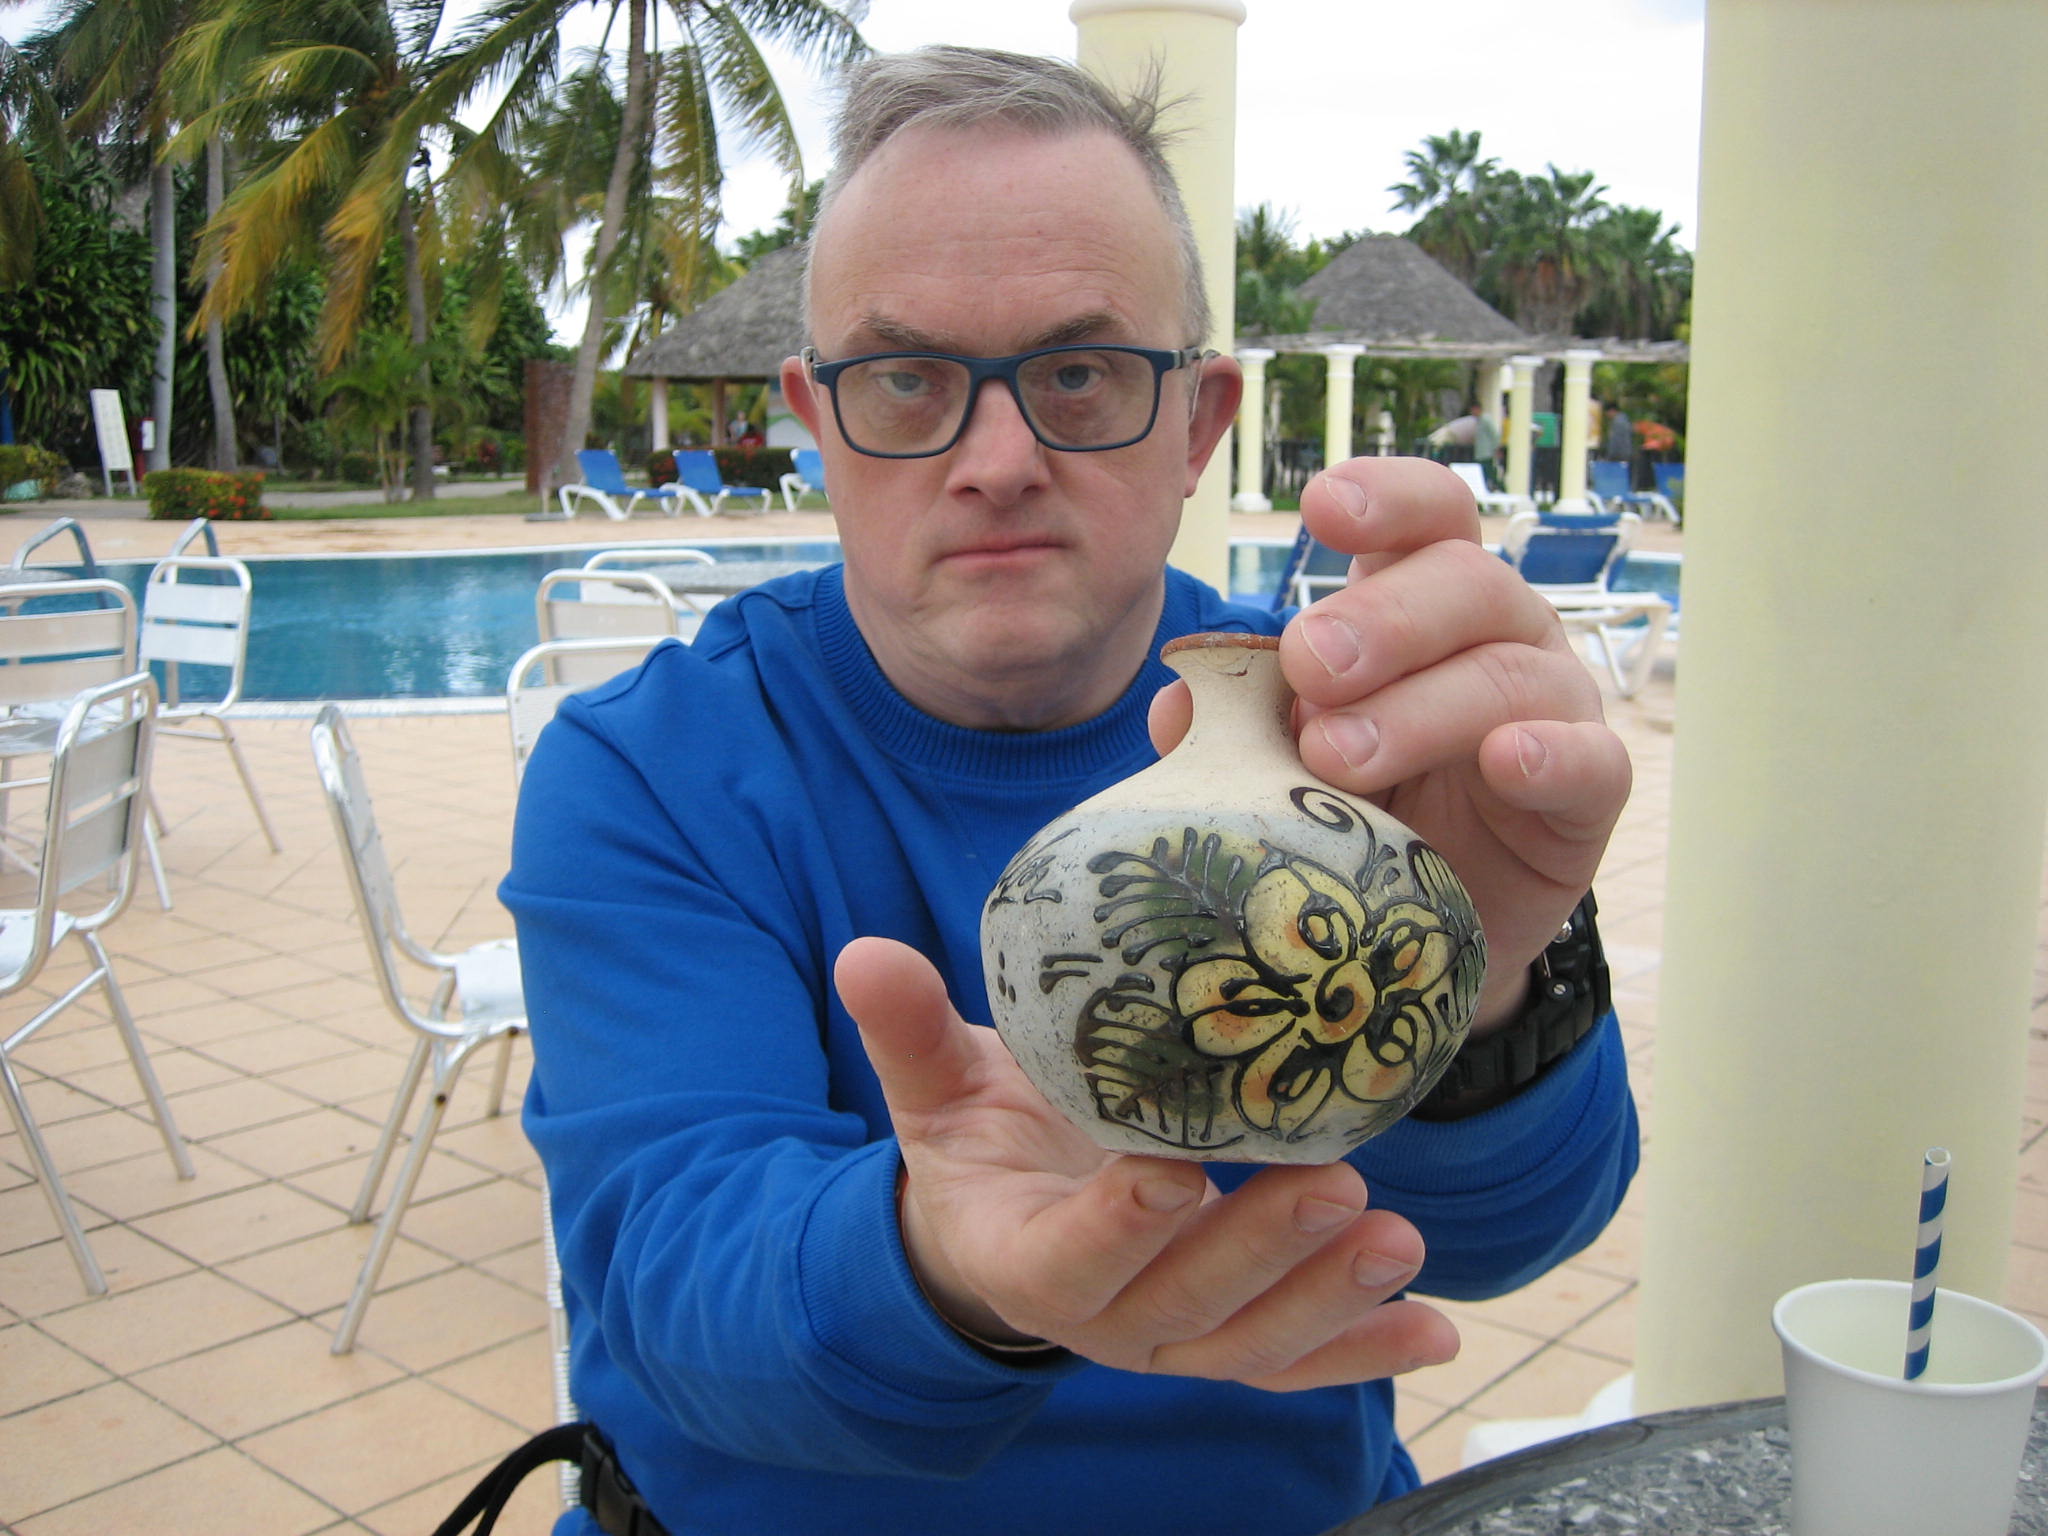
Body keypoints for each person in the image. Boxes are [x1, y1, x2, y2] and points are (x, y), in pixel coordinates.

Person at [505, 45, 1637, 1536]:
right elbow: (674, 1284)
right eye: (907, 381)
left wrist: (1493, 976)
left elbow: (1503, 1233)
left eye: (1080, 373)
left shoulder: (1356, 734)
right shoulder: (653, 769)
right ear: (818, 421)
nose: (996, 460)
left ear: (1200, 423)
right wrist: (947, 1261)